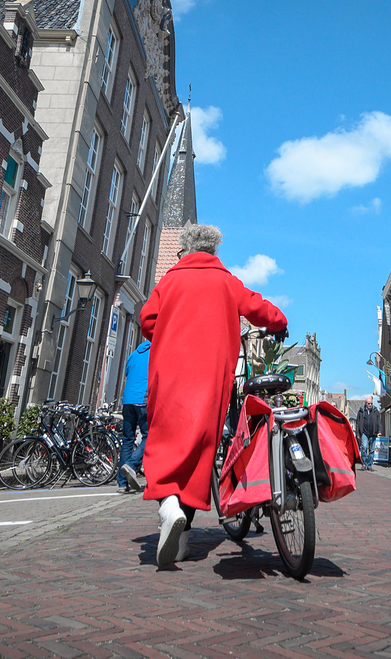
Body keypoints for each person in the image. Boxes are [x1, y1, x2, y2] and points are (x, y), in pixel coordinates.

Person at [139, 223, 287, 568]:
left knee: (164, 440)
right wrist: (279, 322)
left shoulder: (170, 281)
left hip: (171, 372)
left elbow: (148, 321)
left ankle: (168, 507)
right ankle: (180, 541)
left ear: (186, 251)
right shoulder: (225, 280)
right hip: (210, 377)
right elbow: (257, 307)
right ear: (214, 251)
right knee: (199, 449)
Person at [118, 340, 150, 493]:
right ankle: (131, 465)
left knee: (127, 440)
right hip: (143, 400)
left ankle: (122, 484)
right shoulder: (156, 353)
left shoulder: (133, 355)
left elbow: (128, 374)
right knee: (149, 437)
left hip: (128, 400)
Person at [355, 396, 380, 471]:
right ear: (366, 403)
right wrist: (358, 433)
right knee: (364, 448)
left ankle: (369, 465)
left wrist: (379, 431)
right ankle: (363, 464)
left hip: (373, 433)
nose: (370, 405)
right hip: (364, 433)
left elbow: (379, 422)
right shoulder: (361, 411)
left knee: (372, 450)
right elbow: (358, 423)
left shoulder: (375, 411)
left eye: (371, 403)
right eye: (369, 403)